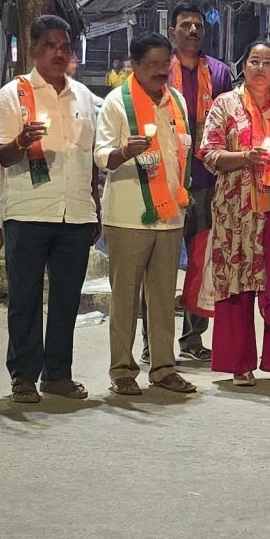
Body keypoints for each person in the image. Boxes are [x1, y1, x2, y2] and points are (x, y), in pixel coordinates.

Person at [0, 14, 102, 402]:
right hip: (29, 212)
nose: (59, 53)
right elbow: (3, 157)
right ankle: (23, 375)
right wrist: (22, 141)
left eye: (65, 46)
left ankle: (57, 374)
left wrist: (94, 207)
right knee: (24, 298)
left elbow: (91, 157)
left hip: (76, 213)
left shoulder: (84, 97)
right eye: (50, 45)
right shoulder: (13, 94)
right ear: (34, 49)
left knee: (66, 299)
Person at [199, 41, 270, 385]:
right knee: (237, 286)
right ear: (244, 67)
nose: (261, 68)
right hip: (236, 212)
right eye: (254, 61)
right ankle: (239, 363)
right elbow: (208, 152)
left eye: (268, 62)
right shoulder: (225, 104)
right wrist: (244, 158)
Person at [97, 34, 199, 395]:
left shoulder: (177, 102)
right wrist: (125, 151)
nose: (160, 71)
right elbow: (102, 156)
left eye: (164, 64)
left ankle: (164, 367)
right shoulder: (116, 103)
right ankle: (122, 370)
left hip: (171, 215)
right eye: (152, 64)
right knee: (125, 296)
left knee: (162, 296)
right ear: (135, 65)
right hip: (129, 215)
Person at [169, 2, 233, 362]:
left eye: (198, 25)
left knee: (201, 260)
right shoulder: (161, 69)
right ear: (173, 31)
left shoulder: (220, 73)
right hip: (166, 179)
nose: (193, 30)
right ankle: (154, 341)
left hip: (207, 179)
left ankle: (193, 338)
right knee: (161, 263)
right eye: (186, 25)